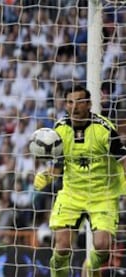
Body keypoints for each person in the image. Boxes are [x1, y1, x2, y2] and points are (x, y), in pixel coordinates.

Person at [34, 85, 126, 277]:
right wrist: (47, 175)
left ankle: (90, 268)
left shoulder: (104, 129)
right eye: (70, 102)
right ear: (65, 104)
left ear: (89, 104)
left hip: (103, 193)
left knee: (102, 245)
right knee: (62, 246)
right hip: (71, 194)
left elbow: (123, 160)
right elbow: (57, 167)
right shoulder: (60, 129)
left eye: (79, 101)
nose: (74, 107)